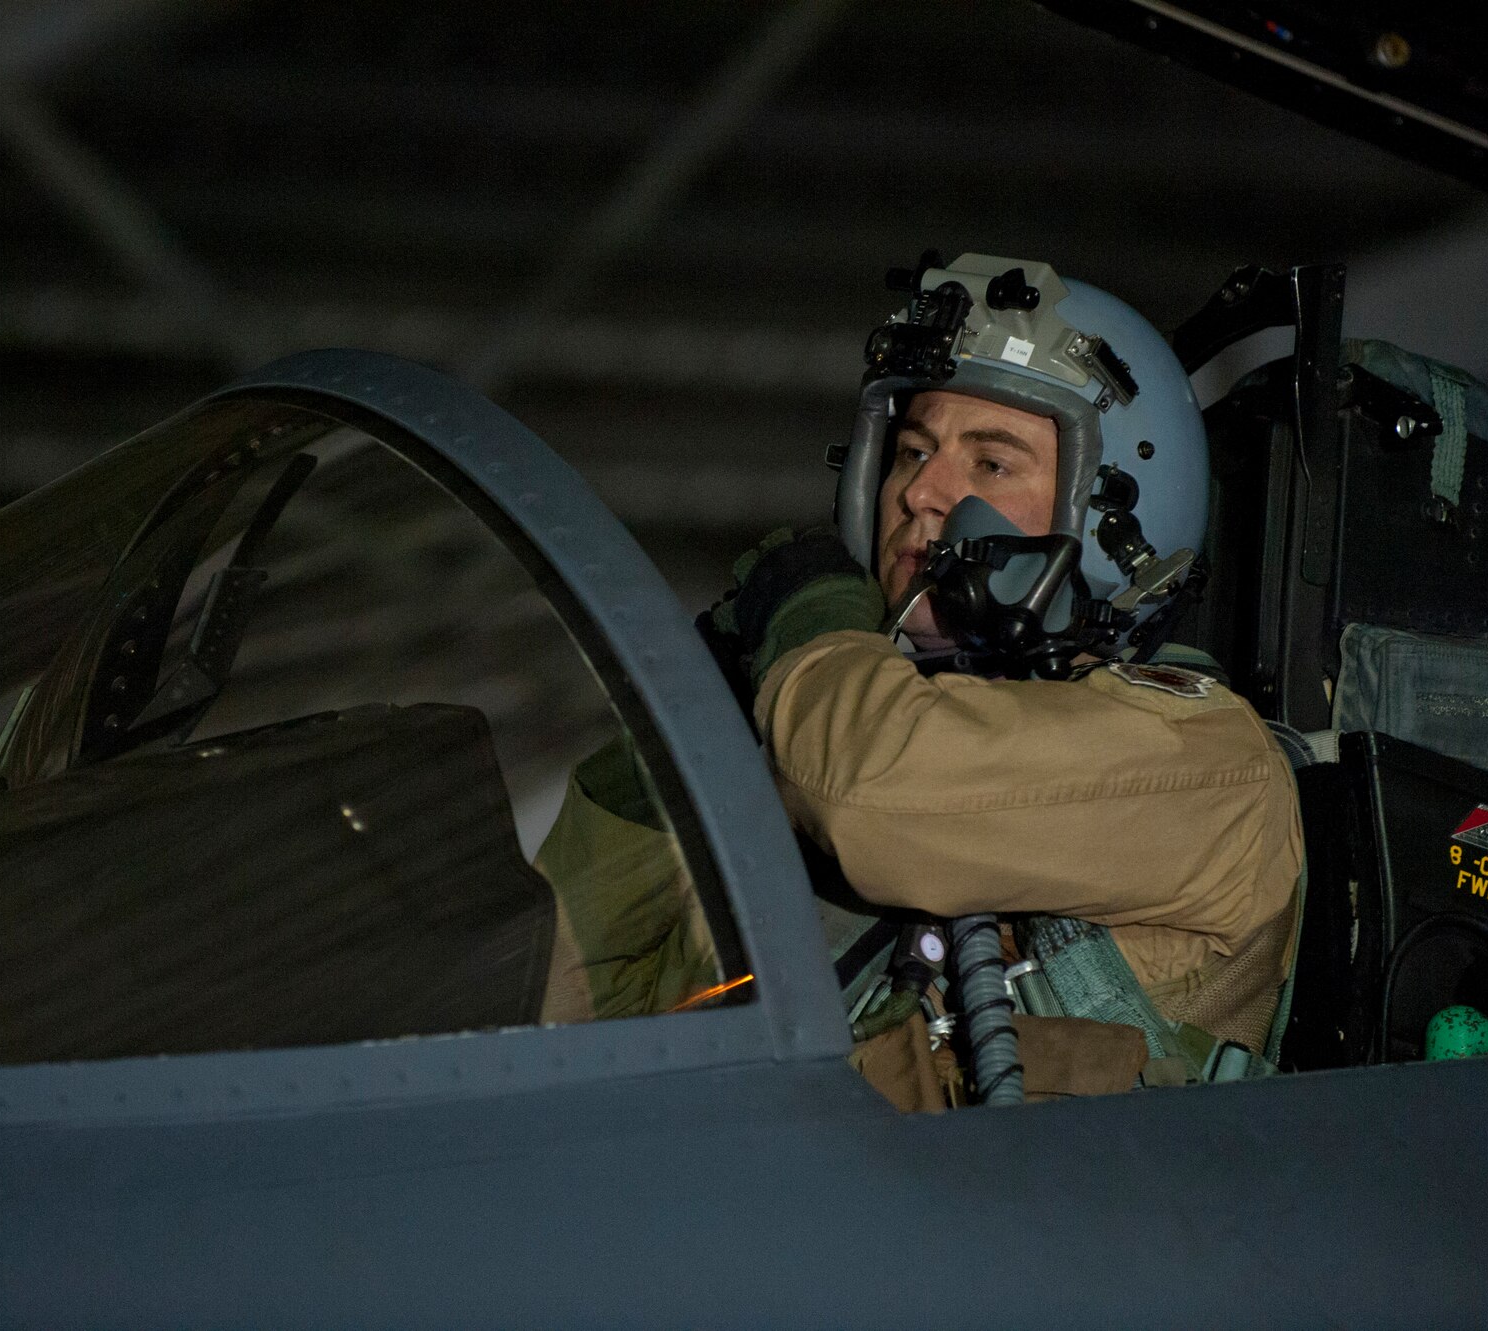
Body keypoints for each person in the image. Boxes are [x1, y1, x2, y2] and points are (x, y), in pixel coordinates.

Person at [537, 253, 1304, 1105]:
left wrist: (812, 630)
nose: (922, 492)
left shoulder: (1209, 763)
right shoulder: (809, 750)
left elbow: (873, 791)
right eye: (911, 451)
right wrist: (683, 720)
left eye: (992, 464)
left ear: (1117, 519)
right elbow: (559, 1005)